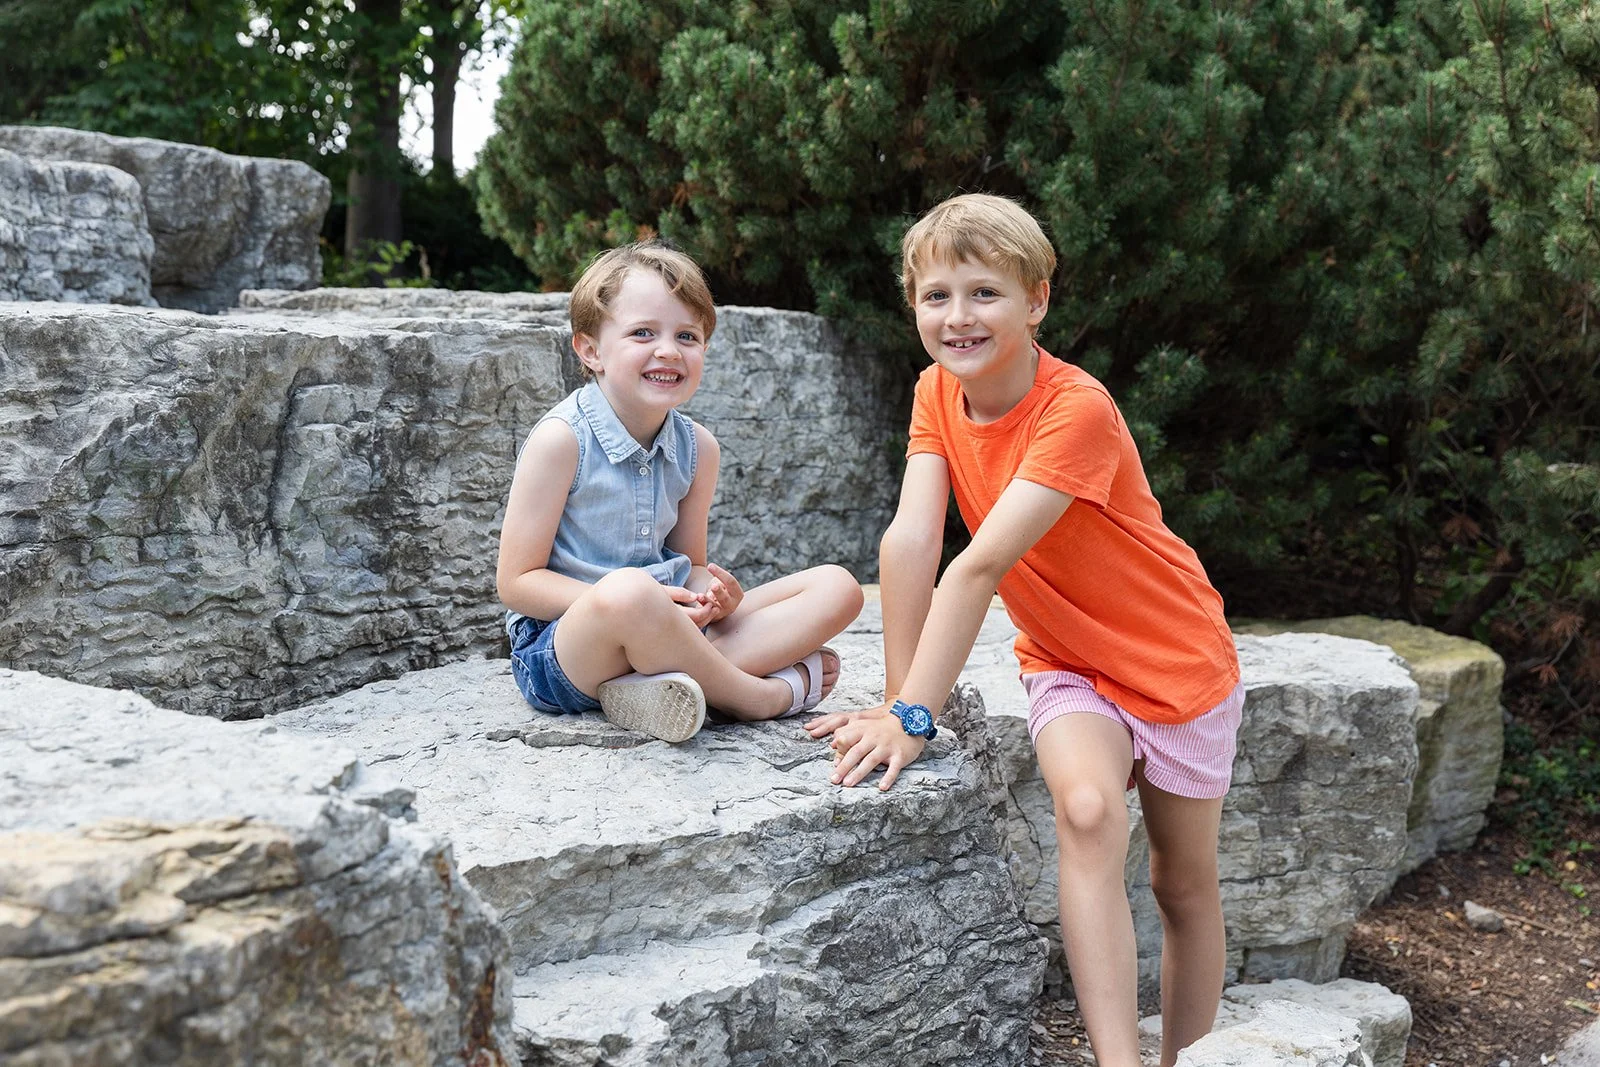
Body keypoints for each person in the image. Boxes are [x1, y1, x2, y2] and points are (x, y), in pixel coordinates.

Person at [805, 194, 1243, 1067]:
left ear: (1036, 299)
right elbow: (912, 539)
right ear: (913, 304)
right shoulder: (937, 389)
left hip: (1174, 659)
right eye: (936, 296)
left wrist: (917, 717)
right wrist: (900, 704)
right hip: (1067, 660)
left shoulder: (1073, 408)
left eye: (984, 293)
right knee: (1084, 811)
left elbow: (975, 566)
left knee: (1181, 884)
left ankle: (1186, 1058)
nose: (958, 317)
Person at [497, 240, 863, 743]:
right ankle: (756, 696)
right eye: (643, 332)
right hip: (565, 648)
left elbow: (689, 562)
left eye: (687, 335)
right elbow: (517, 582)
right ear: (590, 350)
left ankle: (659, 688)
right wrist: (640, 607)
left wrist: (712, 597)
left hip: (673, 629)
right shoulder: (562, 440)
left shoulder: (698, 449)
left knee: (838, 585)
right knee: (628, 593)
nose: (668, 350)